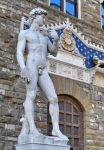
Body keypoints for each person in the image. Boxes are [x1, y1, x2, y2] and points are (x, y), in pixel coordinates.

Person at [17, 8, 68, 140]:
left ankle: (56, 130)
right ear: (35, 17)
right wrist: (23, 68)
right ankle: (32, 128)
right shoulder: (25, 33)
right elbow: (19, 52)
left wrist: (56, 40)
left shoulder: (45, 35)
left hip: (43, 68)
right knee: (31, 95)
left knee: (53, 98)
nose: (44, 20)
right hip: (31, 65)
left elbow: (54, 52)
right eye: (42, 17)